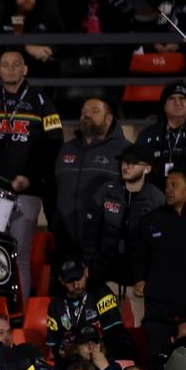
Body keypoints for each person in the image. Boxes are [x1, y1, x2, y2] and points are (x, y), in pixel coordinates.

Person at [0, 50, 62, 299]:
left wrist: (31, 178)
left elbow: (54, 145)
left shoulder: (42, 103)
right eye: (5, 65)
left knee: (19, 255)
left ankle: (19, 315)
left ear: (25, 69)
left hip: (27, 191)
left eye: (16, 64)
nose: (10, 69)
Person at [133, 169, 186, 369]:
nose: (168, 189)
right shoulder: (152, 220)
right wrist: (139, 278)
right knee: (157, 361)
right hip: (160, 309)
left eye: (174, 185)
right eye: (167, 185)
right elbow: (139, 254)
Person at [82, 144, 165, 324]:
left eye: (132, 163)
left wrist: (148, 279)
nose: (125, 167)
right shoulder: (105, 192)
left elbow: (161, 247)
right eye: (124, 162)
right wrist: (89, 265)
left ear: (147, 169)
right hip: (105, 278)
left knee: (140, 331)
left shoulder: (157, 199)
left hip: (139, 283)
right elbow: (90, 233)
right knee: (104, 329)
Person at [51, 97, 128, 260]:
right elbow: (53, 190)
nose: (86, 115)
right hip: (66, 245)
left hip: (104, 248)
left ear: (109, 119)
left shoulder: (124, 150)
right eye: (84, 112)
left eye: (94, 111)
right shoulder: (66, 148)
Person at [45, 259, 136, 368]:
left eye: (79, 278)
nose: (76, 285)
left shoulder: (101, 293)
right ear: (61, 280)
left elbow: (115, 334)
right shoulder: (55, 305)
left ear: (86, 272)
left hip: (106, 355)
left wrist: (97, 357)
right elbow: (55, 345)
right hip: (74, 360)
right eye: (70, 281)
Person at [134, 83, 186, 193]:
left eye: (182, 98)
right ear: (164, 105)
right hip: (159, 200)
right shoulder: (148, 136)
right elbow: (139, 173)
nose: (178, 103)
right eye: (172, 98)